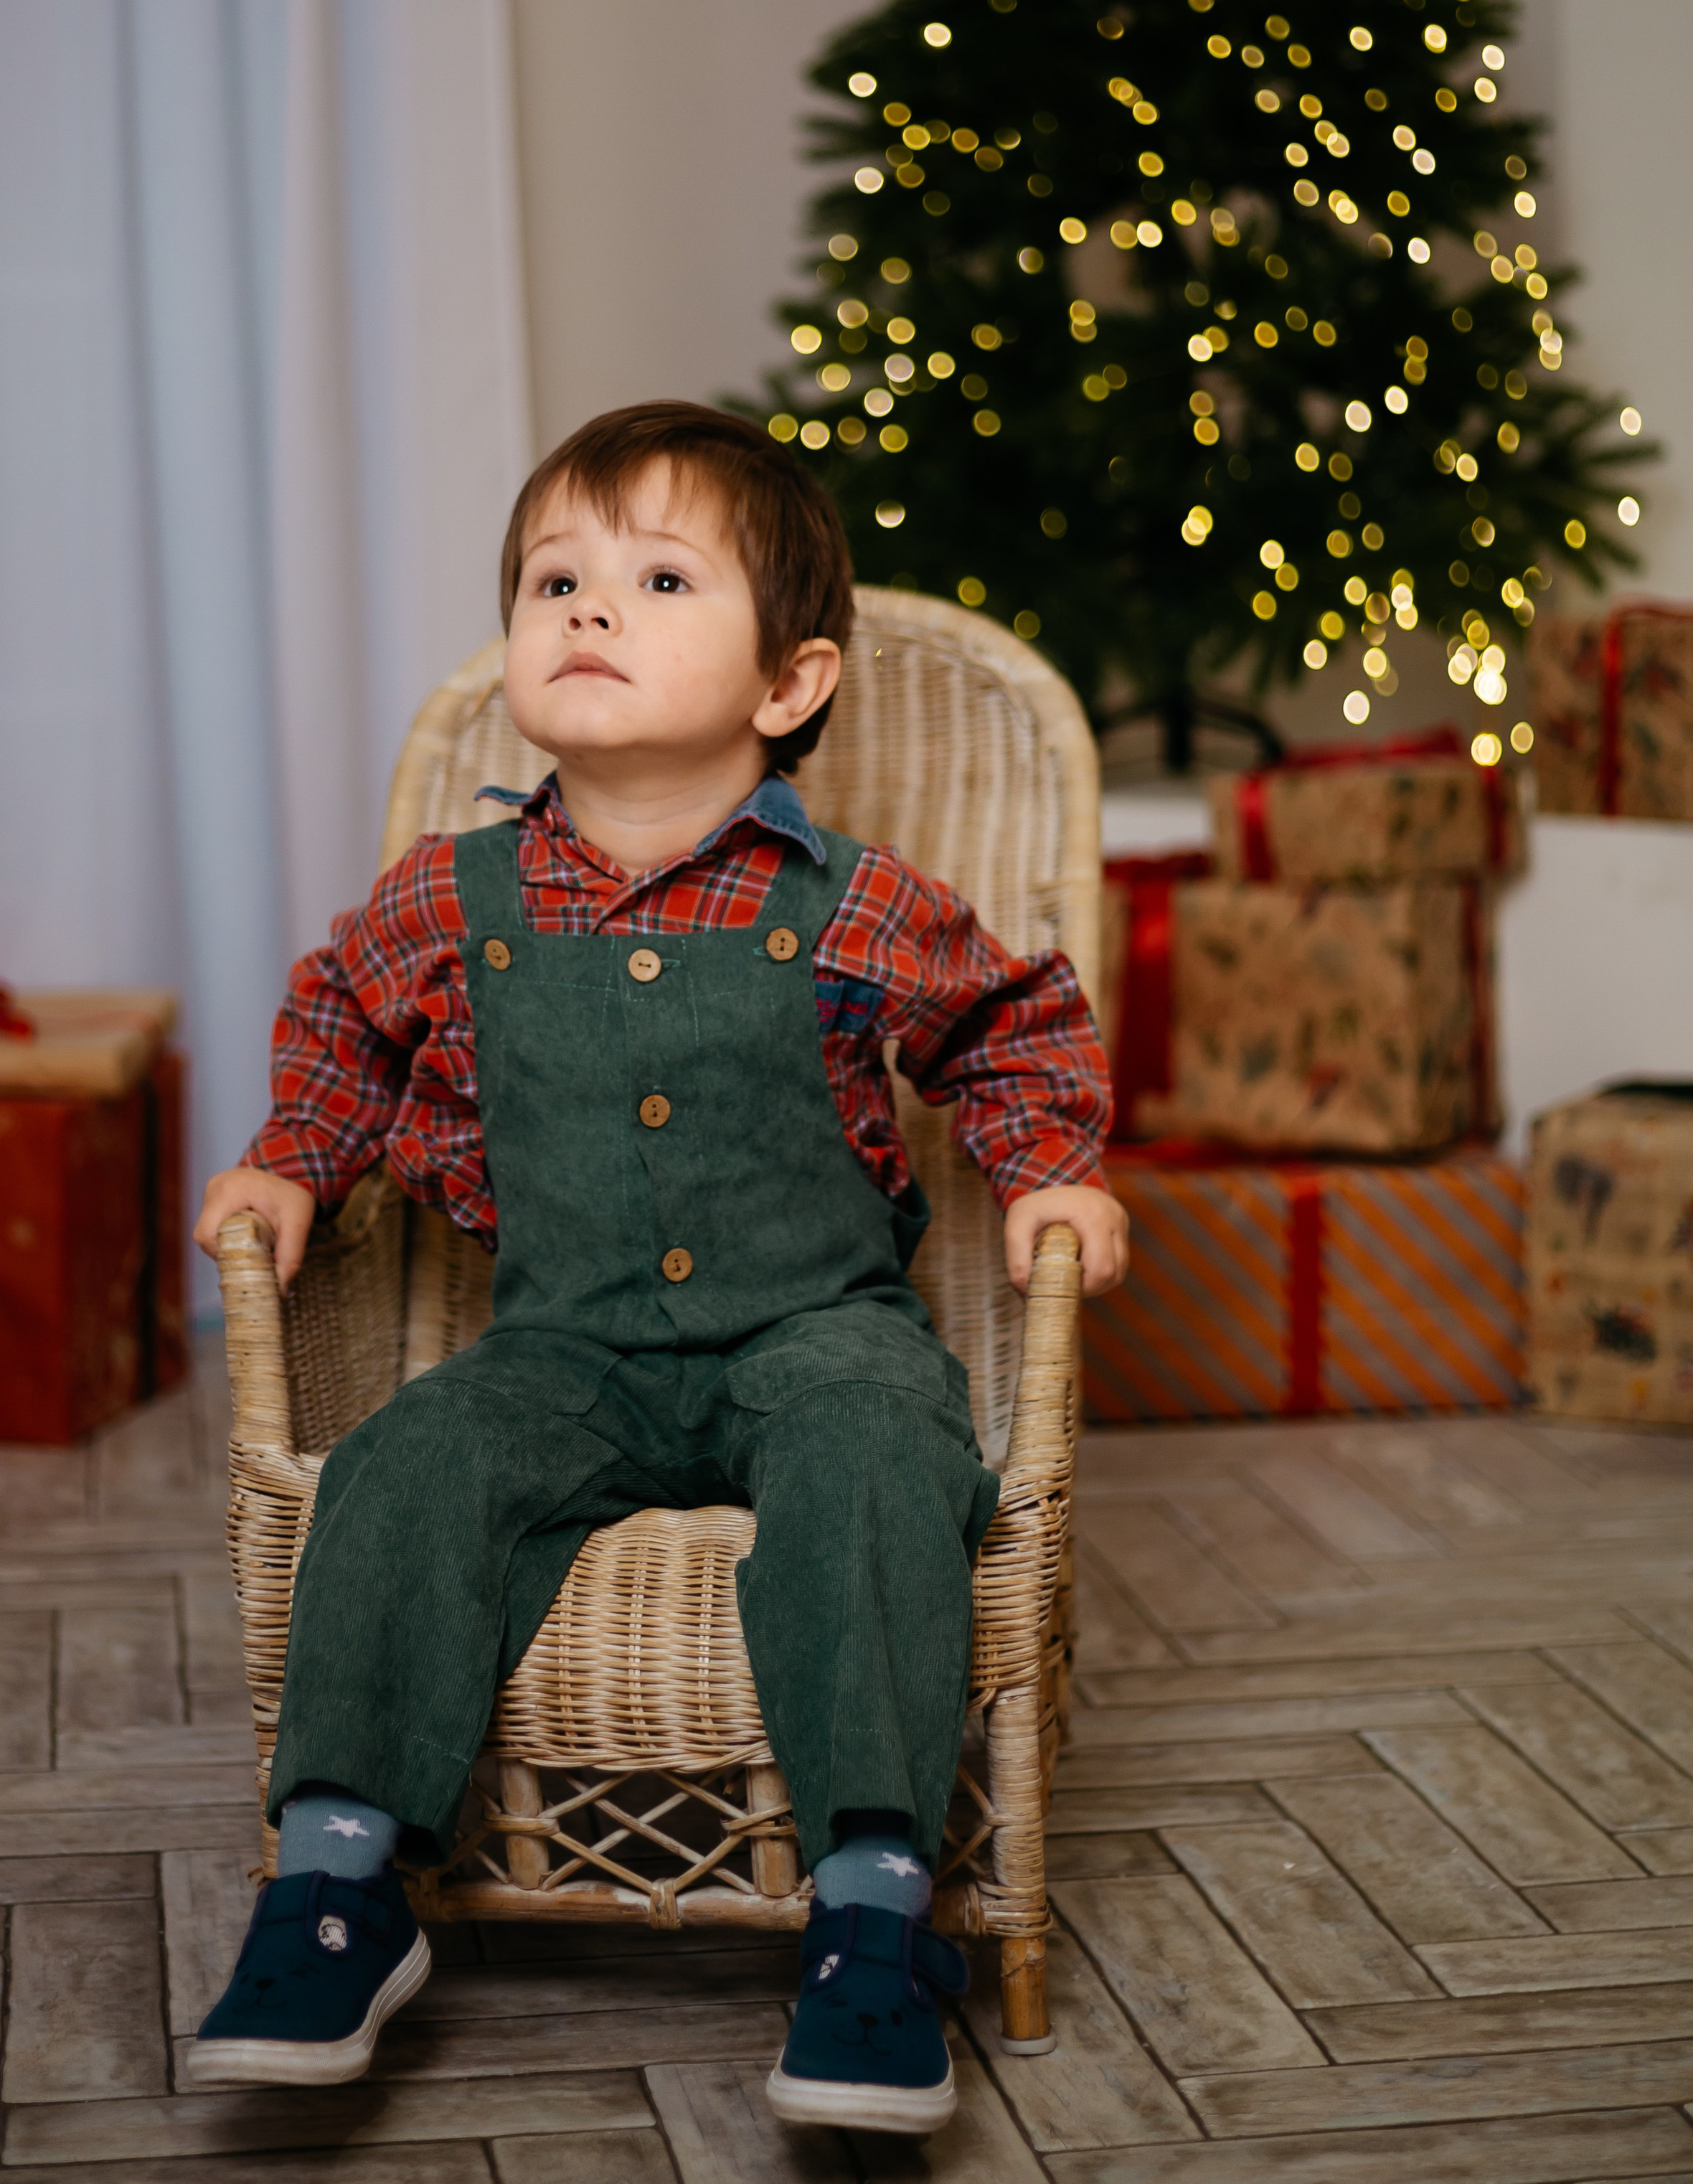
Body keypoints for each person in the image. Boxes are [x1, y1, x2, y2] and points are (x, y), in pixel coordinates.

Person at [187, 400, 1123, 2132]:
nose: (586, 611)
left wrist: (1049, 1170)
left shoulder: (846, 901)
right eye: (554, 579)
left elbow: (1010, 1024)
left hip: (816, 1327)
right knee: (406, 1465)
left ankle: (868, 1912)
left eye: (656, 578)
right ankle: (336, 1881)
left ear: (787, 685)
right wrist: (294, 1157)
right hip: (565, 1344)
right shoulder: (448, 899)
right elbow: (340, 1028)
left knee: (874, 1461)